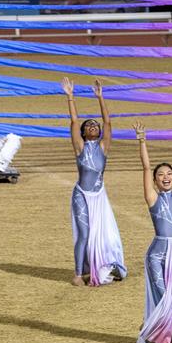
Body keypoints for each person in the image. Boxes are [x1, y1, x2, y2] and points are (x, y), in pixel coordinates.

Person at [61, 77, 127, 287]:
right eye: (88, 125)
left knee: (106, 233)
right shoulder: (80, 148)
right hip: (81, 194)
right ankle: (79, 274)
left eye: (94, 125)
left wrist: (100, 97)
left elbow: (108, 123)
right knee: (84, 234)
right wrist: (70, 97)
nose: (92, 126)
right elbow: (73, 122)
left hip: (99, 196)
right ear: (83, 133)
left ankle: (101, 265)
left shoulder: (103, 148)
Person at [133, 122, 172, 343]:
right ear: (156, 181)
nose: (165, 177)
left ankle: (153, 331)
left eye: (169, 174)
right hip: (157, 253)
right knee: (163, 296)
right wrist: (142, 141)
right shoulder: (152, 198)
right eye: (160, 175)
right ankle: (154, 331)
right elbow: (146, 168)